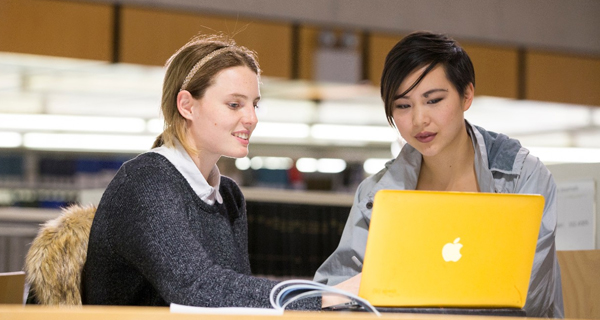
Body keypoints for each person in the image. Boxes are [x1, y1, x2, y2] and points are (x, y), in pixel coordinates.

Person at [314, 31, 564, 318]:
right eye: (403, 106)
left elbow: (529, 297)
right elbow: (332, 294)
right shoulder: (375, 194)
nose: (420, 119)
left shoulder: (522, 177)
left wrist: (400, 289)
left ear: (466, 95)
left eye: (433, 100)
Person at [82, 34, 321, 309]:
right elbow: (196, 287)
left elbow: (234, 299)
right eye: (234, 104)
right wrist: (320, 297)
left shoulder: (229, 195)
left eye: (254, 104)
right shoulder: (146, 182)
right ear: (186, 105)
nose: (252, 118)